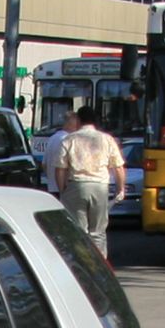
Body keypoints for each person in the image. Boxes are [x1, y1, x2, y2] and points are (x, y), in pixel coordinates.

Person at [56, 106, 128, 259]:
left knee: (78, 231)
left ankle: (80, 263)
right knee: (98, 231)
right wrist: (120, 189)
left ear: (79, 121)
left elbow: (60, 169)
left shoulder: (69, 139)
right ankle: (100, 264)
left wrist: (63, 190)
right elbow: (119, 167)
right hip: (100, 187)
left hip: (76, 186)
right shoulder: (107, 139)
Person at [41, 109, 78, 196]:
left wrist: (51, 179)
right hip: (65, 189)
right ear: (71, 125)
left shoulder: (52, 139)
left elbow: (44, 165)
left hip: (51, 188)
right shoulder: (69, 140)